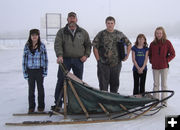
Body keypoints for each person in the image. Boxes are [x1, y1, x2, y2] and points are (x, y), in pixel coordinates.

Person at [53, 12, 91, 111]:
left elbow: (88, 45)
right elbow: (58, 44)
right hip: (65, 60)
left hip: (79, 60)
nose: (72, 20)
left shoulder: (83, 32)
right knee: (61, 80)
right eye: (70, 18)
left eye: (73, 18)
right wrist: (59, 55)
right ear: (67, 20)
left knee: (78, 82)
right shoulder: (61, 32)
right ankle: (58, 103)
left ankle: (78, 103)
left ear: (76, 20)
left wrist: (86, 55)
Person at [92, 16, 132, 93]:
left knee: (115, 85)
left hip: (116, 64)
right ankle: (104, 103)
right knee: (103, 86)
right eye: (108, 23)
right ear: (106, 24)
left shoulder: (119, 34)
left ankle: (113, 102)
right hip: (103, 64)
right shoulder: (101, 34)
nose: (110, 25)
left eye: (111, 23)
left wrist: (126, 56)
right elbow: (95, 47)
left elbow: (129, 44)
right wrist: (98, 60)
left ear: (114, 24)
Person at [22, 29, 48, 113]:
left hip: (39, 70)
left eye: (36, 35)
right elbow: (24, 60)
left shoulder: (42, 46)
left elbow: (45, 59)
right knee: (31, 89)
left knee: (40, 88)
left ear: (38, 36)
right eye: (33, 35)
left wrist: (45, 71)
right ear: (30, 36)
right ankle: (31, 107)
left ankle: (41, 106)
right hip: (30, 71)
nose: (34, 37)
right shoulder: (27, 46)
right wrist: (25, 72)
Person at [149, 26, 175, 107]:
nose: (159, 34)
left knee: (164, 84)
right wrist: (151, 61)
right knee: (156, 85)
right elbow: (150, 54)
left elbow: (173, 54)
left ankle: (164, 102)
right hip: (155, 67)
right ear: (155, 34)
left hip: (164, 67)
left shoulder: (167, 43)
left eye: (160, 33)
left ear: (163, 34)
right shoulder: (152, 44)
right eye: (157, 33)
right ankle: (155, 101)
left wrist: (166, 60)